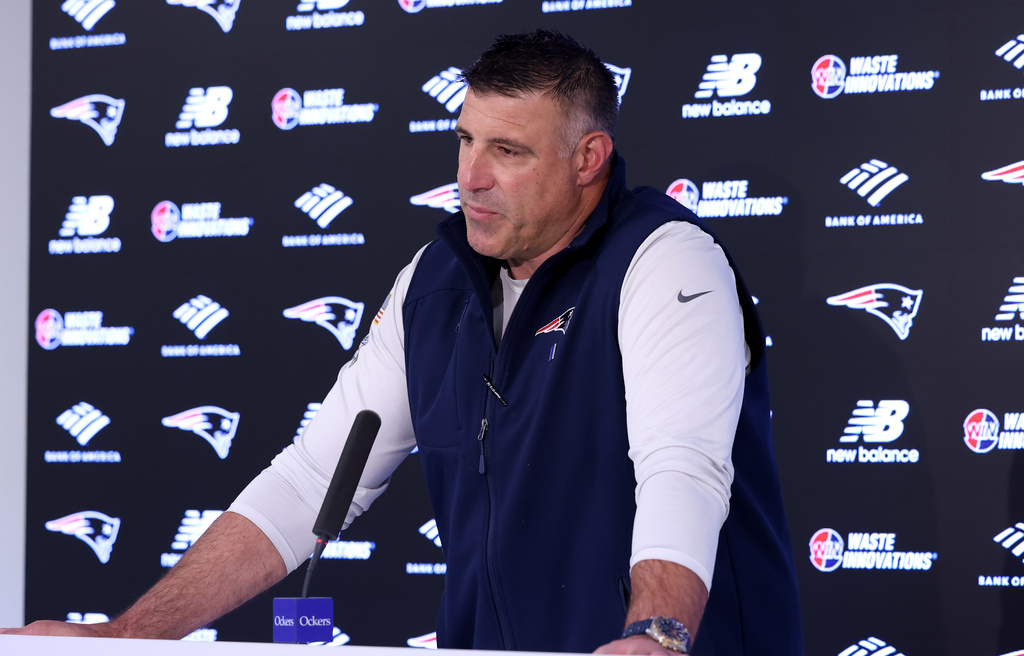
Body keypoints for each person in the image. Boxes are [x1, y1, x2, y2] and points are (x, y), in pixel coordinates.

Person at [2, 30, 802, 654]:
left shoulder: (666, 261)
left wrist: (656, 636)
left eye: (508, 152)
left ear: (588, 159)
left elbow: (681, 468)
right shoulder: (434, 279)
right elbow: (313, 480)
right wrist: (130, 638)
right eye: (465, 140)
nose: (471, 176)